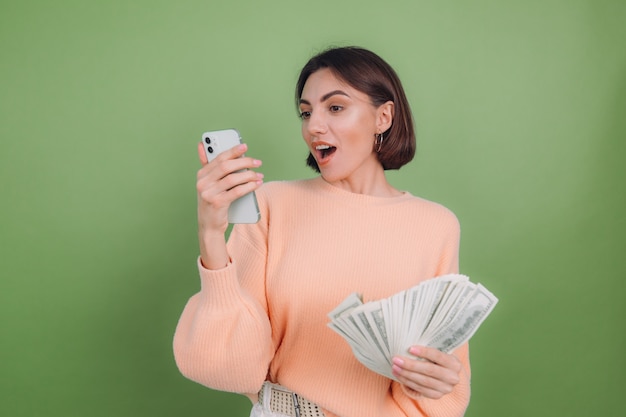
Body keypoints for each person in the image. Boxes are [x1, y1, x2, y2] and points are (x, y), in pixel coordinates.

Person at [173, 46, 471, 417]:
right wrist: (211, 237)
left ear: (383, 117)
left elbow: (440, 397)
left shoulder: (436, 227)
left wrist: (437, 382)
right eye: (306, 112)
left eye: (335, 107)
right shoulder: (271, 205)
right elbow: (232, 369)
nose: (314, 126)